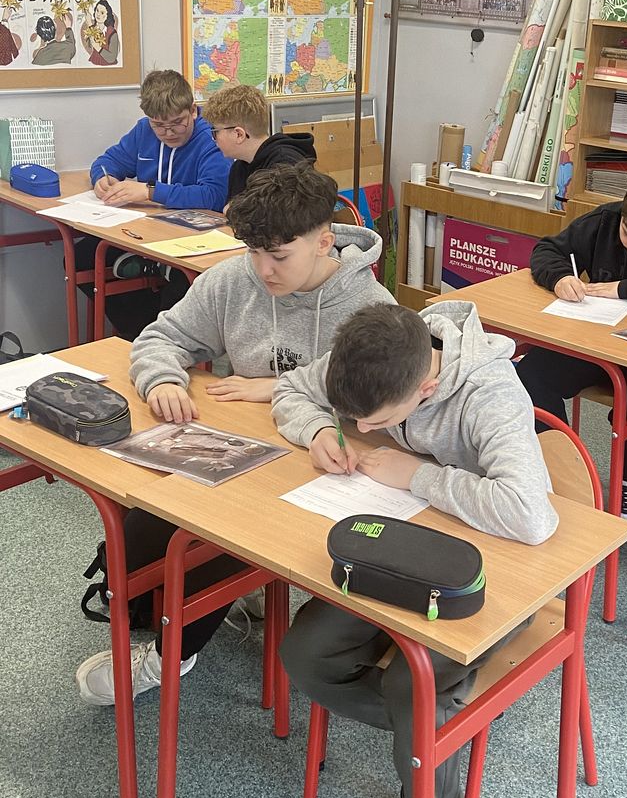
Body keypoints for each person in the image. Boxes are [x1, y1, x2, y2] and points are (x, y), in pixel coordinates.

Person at [271, 301, 558, 798]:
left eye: (375, 422)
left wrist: (419, 475)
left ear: (426, 388)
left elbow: (531, 516)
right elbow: (292, 389)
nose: (362, 430)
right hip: (397, 549)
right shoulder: (378, 351)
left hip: (483, 575)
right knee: (306, 656)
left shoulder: (488, 392)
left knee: (415, 690)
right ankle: (430, 742)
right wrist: (317, 432)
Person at [75, 163, 394, 706]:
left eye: (279, 256)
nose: (263, 269)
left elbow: (379, 411)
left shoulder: (370, 310)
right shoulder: (233, 279)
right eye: (253, 252)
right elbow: (161, 337)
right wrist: (163, 379)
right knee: (137, 537)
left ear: (324, 242)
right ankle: (188, 606)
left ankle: (174, 653)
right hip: (237, 448)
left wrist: (279, 388)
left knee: (215, 537)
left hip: (319, 468)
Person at [516, 170, 627, 528]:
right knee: (531, 374)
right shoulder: (606, 220)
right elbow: (547, 249)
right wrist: (560, 277)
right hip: (597, 340)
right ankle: (558, 464)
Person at [75, 68, 230, 340]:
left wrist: (150, 192)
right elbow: (108, 161)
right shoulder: (143, 131)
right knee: (81, 259)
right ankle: (139, 333)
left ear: (193, 110)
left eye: (177, 122)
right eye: (159, 125)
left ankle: (157, 338)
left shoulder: (211, 138)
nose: (168, 132)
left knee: (181, 285)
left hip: (194, 240)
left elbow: (213, 195)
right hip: (147, 233)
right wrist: (102, 178)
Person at [202, 84, 316, 203]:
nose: (214, 138)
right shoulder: (239, 167)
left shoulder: (287, 166)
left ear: (239, 134)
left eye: (215, 132)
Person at [84, 0, 119, 66]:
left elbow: (112, 58)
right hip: (94, 64)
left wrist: (98, 48)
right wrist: (90, 25)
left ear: (107, 16)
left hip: (108, 67)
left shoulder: (112, 33)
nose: (98, 14)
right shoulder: (93, 28)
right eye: (97, 11)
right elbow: (90, 44)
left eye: (102, 13)